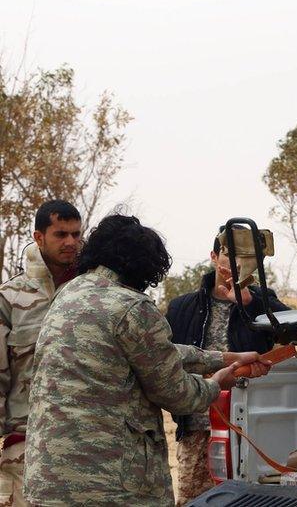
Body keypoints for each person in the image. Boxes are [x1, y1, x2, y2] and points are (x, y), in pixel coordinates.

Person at [22, 214, 271, 506]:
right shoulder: (131, 307)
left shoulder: (69, 295)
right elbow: (178, 395)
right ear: (142, 267)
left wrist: (222, 358)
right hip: (110, 485)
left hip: (47, 478)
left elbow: (151, 352)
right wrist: (218, 383)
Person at [166, 228, 290, 505]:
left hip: (251, 428)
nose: (237, 264)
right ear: (214, 256)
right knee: (193, 501)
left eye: (245, 258)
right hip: (197, 428)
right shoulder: (181, 307)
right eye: (229, 254)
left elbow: (296, 330)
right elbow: (168, 360)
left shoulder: (262, 302)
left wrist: (251, 303)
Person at [0, 200, 83, 507]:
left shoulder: (93, 292)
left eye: (76, 234)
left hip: (84, 446)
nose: (71, 242)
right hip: (26, 447)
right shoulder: (9, 297)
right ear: (38, 237)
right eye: (61, 234)